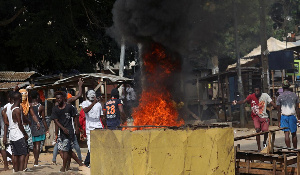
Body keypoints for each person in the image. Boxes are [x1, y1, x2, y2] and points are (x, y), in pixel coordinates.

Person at [233, 86, 277, 150]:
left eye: (258, 90)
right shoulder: (251, 96)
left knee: (265, 131)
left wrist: (277, 107)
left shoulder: (265, 96)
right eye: (255, 90)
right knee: (257, 130)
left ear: (260, 90)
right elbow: (243, 101)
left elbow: (272, 103)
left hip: (264, 116)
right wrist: (236, 102)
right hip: (255, 117)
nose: (256, 92)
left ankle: (264, 141)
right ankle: (259, 147)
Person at [51, 91, 81, 172]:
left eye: (60, 98)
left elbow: (75, 117)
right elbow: (56, 121)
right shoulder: (55, 109)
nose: (58, 100)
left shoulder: (69, 107)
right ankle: (78, 163)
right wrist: (58, 132)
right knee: (66, 150)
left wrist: (77, 128)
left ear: (64, 98)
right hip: (62, 132)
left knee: (65, 150)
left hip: (69, 131)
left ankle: (64, 167)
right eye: (57, 98)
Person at [81, 90, 104, 167]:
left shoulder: (99, 105)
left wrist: (105, 126)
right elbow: (86, 110)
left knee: (99, 145)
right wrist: (93, 103)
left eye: (93, 94)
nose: (92, 96)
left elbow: (101, 117)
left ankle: (95, 162)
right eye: (90, 94)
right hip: (90, 127)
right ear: (87, 96)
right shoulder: (85, 103)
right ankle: (87, 162)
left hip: (98, 126)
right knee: (91, 146)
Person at [277, 80, 300, 148]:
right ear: (289, 86)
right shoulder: (294, 95)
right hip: (292, 116)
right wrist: (299, 118)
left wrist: (279, 121)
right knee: (294, 134)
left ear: (282, 87)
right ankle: (295, 149)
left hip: (284, 117)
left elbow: (278, 110)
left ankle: (289, 149)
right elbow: (297, 109)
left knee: (286, 134)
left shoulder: (280, 97)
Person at [8, 92, 28, 172]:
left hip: (12, 134)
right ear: (19, 99)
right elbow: (20, 124)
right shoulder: (17, 110)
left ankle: (16, 171)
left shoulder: (10, 108)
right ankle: (20, 172)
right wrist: (25, 134)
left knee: (15, 154)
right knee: (23, 154)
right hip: (18, 134)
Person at [28, 90, 49, 166]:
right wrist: (47, 129)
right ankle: (36, 161)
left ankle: (35, 160)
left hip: (30, 126)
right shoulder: (40, 107)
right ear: (37, 97)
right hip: (38, 126)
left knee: (34, 145)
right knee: (38, 144)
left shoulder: (28, 105)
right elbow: (43, 119)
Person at [19, 88, 33, 172]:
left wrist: (37, 122)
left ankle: (25, 167)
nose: (24, 96)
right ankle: (19, 167)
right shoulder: (17, 106)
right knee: (20, 149)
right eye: (22, 94)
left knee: (27, 148)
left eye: (25, 94)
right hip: (19, 128)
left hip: (27, 127)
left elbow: (33, 115)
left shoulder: (28, 105)